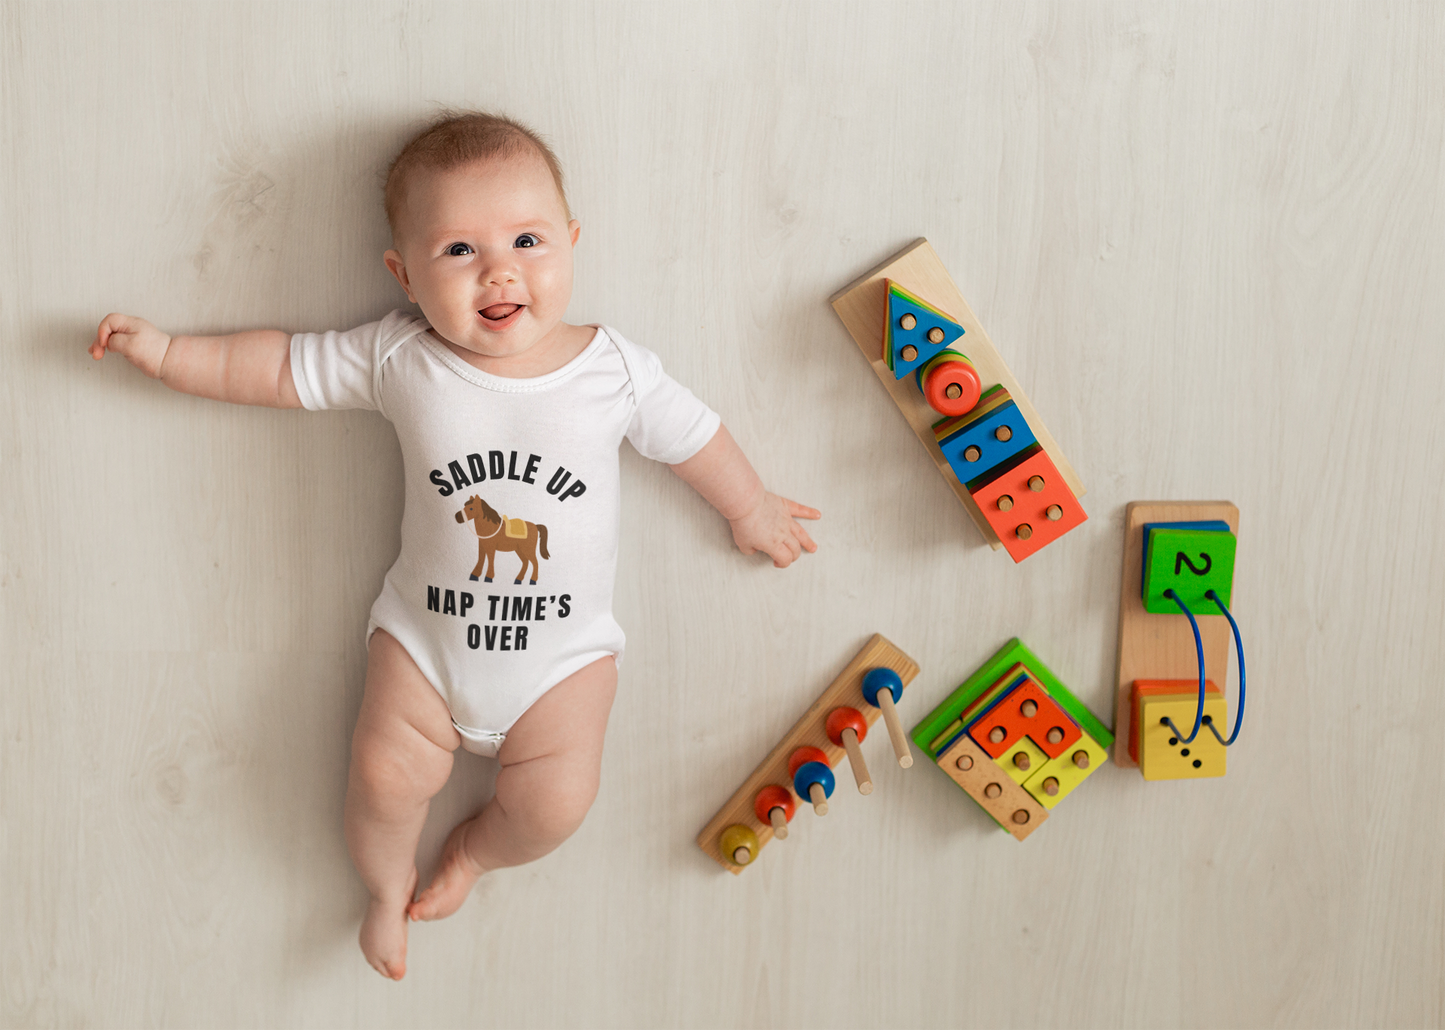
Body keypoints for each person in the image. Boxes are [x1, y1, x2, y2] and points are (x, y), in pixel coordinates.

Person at [90, 111, 820, 980]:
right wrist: (171, 352)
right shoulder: (401, 357)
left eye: (526, 241)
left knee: (557, 805)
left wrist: (749, 506)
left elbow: (693, 437)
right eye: (458, 251)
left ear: (572, 242)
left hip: (563, 666)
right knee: (381, 779)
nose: (498, 270)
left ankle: (473, 855)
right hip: (423, 652)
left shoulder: (614, 371)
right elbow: (281, 367)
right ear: (403, 273)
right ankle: (384, 886)